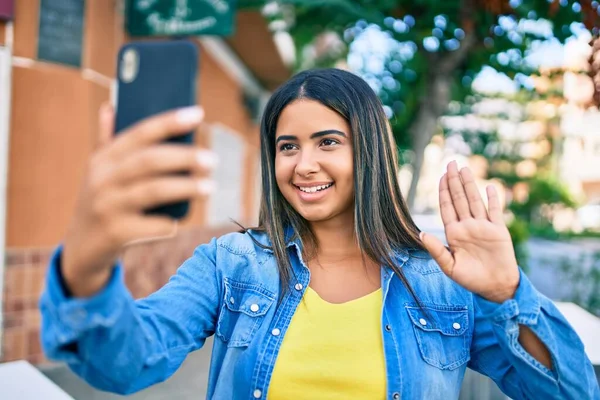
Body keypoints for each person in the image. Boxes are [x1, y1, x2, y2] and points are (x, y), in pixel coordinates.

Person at [39, 68, 599, 399]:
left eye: (328, 141)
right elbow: (127, 361)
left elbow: (573, 393)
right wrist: (86, 265)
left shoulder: (444, 281)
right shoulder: (231, 264)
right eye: (288, 146)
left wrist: (509, 296)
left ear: (371, 153)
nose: (303, 164)